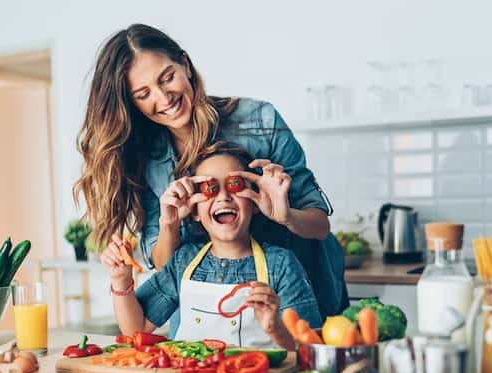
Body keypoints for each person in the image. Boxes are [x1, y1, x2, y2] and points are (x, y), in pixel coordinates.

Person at [74, 24, 347, 335]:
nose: (164, 98)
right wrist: (170, 223)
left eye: (167, 77)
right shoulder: (142, 156)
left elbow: (319, 224)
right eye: (143, 93)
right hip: (205, 318)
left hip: (293, 299)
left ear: (185, 66)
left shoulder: (260, 120)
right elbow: (165, 266)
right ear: (131, 102)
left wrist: (286, 216)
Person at [100, 143, 322, 350]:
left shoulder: (281, 264)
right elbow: (135, 329)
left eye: (235, 186)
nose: (224, 197)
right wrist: (121, 280)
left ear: (254, 201)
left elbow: (308, 349)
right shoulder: (183, 261)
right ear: (195, 211)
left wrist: (275, 328)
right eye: (210, 188)